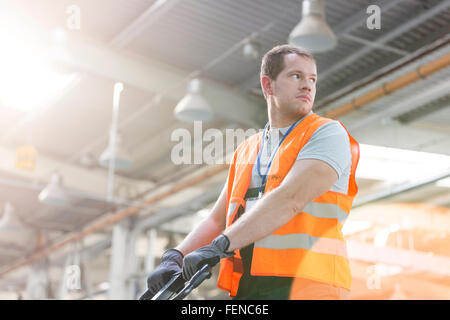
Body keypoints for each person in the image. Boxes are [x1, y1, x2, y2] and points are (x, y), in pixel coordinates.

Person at [145, 44, 360, 300]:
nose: (307, 86)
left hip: (311, 284)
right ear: (268, 86)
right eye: (296, 76)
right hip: (250, 287)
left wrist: (220, 245)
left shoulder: (326, 133)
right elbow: (218, 219)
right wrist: (176, 256)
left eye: (312, 79)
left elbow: (289, 198)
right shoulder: (248, 149)